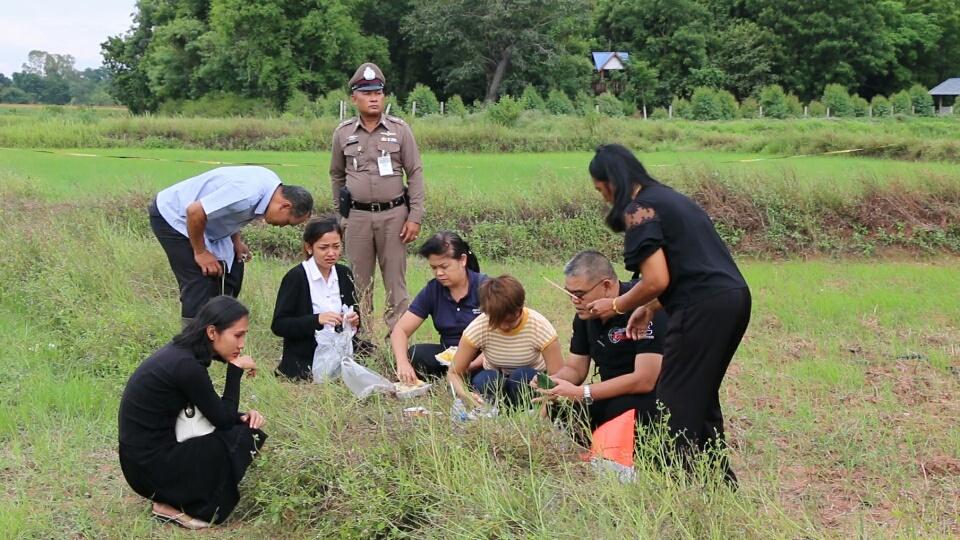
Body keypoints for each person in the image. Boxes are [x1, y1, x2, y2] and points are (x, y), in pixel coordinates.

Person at [585, 144, 751, 484]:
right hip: (732, 299)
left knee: (672, 402)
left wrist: (618, 305)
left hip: (702, 308)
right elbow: (687, 270)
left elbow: (657, 279)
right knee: (700, 396)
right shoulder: (669, 199)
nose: (604, 199)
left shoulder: (639, 210)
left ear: (612, 182)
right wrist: (649, 307)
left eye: (601, 190)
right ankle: (719, 484)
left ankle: (682, 489)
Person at [118, 296, 266, 529]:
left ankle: (171, 498)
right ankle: (179, 504)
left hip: (139, 463)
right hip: (148, 468)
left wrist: (240, 416)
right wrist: (235, 372)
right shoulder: (186, 366)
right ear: (211, 332)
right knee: (243, 435)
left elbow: (213, 410)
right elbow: (222, 421)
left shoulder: (181, 355)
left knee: (240, 426)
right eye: (238, 335)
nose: (242, 344)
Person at [149, 166, 313, 326]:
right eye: (288, 222)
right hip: (175, 216)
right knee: (200, 278)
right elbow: (194, 211)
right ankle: (193, 342)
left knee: (234, 268)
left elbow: (230, 212)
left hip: (205, 222)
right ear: (285, 206)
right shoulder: (246, 195)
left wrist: (236, 242)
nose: (283, 226)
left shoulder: (272, 188)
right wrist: (200, 252)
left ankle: (221, 331)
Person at [330, 62, 425, 334]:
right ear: (354, 98)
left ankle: (397, 339)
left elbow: (415, 172)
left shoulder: (400, 130)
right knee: (359, 282)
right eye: (367, 93)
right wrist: (341, 215)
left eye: (378, 93)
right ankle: (363, 339)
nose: (374, 98)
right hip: (357, 217)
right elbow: (337, 175)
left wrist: (415, 216)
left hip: (394, 215)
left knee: (396, 281)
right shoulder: (343, 133)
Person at [535, 250, 668, 444]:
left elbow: (645, 380)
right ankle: (598, 443)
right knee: (561, 407)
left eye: (579, 294)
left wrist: (582, 393)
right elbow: (576, 369)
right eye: (569, 294)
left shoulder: (645, 307)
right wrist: (555, 382)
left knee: (621, 410)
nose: (574, 301)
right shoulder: (584, 315)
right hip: (608, 392)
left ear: (606, 286)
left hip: (650, 396)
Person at [448, 275, 563, 408]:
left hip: (530, 379)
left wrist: (548, 398)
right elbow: (454, 372)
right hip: (495, 375)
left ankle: (520, 407)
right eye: (497, 322)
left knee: (522, 376)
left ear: (520, 308)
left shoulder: (540, 327)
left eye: (510, 321)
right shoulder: (478, 327)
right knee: (485, 380)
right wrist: (465, 395)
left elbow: (558, 377)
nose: (505, 327)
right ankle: (497, 407)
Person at [271, 216, 363, 380]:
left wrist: (355, 319)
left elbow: (354, 312)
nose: (331, 253)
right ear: (309, 247)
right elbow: (279, 325)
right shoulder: (296, 277)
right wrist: (317, 320)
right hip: (307, 357)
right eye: (323, 247)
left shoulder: (344, 274)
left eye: (336, 246)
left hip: (342, 350)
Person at [390, 231, 487, 383]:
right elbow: (400, 330)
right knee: (416, 354)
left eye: (444, 266)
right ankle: (453, 377)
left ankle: (467, 379)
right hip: (448, 356)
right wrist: (402, 363)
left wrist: (471, 365)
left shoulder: (486, 287)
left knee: (487, 379)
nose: (439, 273)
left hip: (482, 358)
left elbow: (503, 336)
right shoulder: (433, 290)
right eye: (434, 268)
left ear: (462, 260)